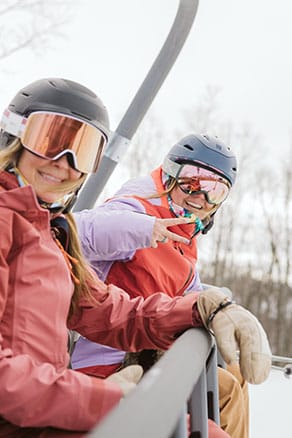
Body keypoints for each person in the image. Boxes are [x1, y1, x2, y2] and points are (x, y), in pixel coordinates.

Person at [0, 78, 271, 438]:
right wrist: (102, 399)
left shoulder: (50, 233)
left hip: (44, 410)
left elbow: (109, 312)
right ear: (14, 134)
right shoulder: (12, 223)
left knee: (208, 427)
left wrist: (201, 308)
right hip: (28, 417)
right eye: (50, 140)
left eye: (82, 152)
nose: (63, 163)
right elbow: (100, 226)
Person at [71, 133, 261, 438]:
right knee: (224, 390)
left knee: (236, 373)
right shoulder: (137, 207)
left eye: (215, 190)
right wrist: (142, 228)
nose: (200, 197)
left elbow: (190, 291)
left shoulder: (185, 236)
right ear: (170, 175)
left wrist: (219, 308)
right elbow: (80, 231)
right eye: (191, 182)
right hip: (111, 361)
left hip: (150, 349)